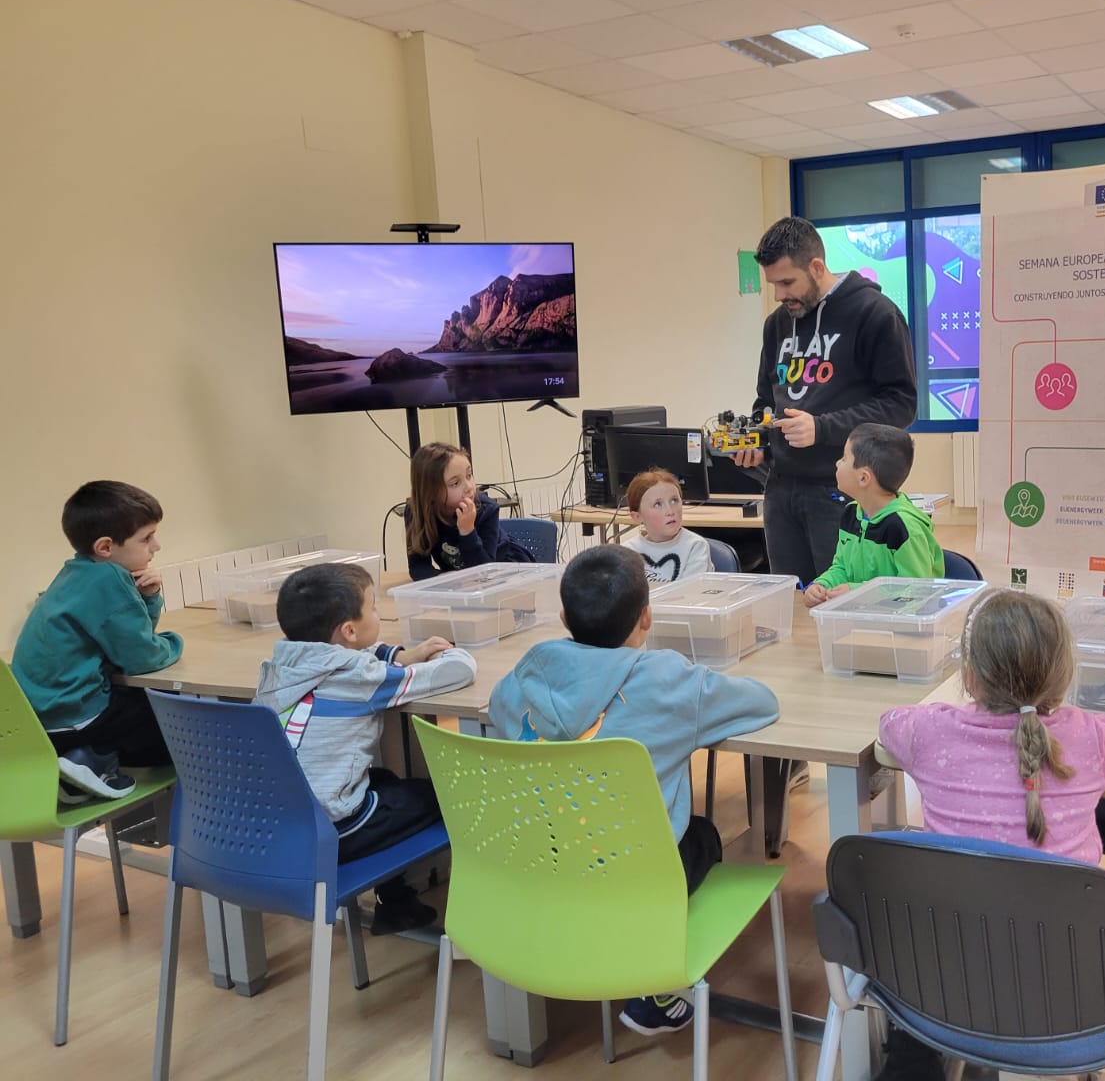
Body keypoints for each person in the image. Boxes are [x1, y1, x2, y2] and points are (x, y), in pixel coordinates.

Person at [877, 589, 1105, 1081]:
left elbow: (889, 722)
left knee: (912, 904)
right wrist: (1076, 718)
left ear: (969, 676)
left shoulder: (928, 733)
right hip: (1066, 974)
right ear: (1064, 676)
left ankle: (912, 1059)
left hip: (953, 969)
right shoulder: (1086, 737)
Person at [488, 545, 778, 1037]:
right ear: (647, 617)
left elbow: (499, 714)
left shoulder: (522, 681)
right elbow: (762, 703)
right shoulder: (668, 681)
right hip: (633, 880)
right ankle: (651, 980)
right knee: (703, 836)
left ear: (564, 618)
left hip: (542, 867)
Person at [255, 562, 476, 935]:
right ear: (349, 630)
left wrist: (398, 656)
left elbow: (352, 659)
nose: (379, 613)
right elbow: (460, 672)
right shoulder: (360, 678)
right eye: (373, 607)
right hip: (335, 833)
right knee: (444, 795)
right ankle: (474, 914)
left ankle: (398, 905)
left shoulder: (279, 667)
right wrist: (447, 653)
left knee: (384, 779)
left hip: (276, 828)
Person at [734, 216, 916, 586]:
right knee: (791, 600)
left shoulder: (875, 314)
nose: (779, 295)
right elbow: (765, 399)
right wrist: (756, 440)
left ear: (817, 268)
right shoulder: (777, 324)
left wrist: (821, 428)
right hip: (780, 489)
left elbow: (901, 404)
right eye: (773, 284)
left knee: (840, 599)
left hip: (841, 489)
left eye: (787, 282)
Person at [12, 480, 183, 803]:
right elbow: (142, 657)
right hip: (76, 718)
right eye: (146, 537)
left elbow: (124, 640)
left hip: (39, 725)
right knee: (179, 724)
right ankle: (93, 758)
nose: (156, 546)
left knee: (139, 699)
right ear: (106, 547)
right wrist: (174, 643)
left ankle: (84, 761)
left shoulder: (76, 572)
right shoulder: (108, 577)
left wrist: (148, 598)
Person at [802, 423, 942, 608]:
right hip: (860, 617)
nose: (837, 463)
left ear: (863, 478)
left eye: (844, 458)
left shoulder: (904, 527)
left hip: (899, 622)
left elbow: (917, 591)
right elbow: (841, 567)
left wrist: (858, 593)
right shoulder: (851, 514)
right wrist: (822, 585)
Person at [405, 441, 502, 580]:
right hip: (464, 585)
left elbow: (484, 572)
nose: (469, 487)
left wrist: (467, 532)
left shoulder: (487, 510)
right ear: (430, 492)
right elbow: (418, 568)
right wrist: (451, 582)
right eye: (455, 483)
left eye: (469, 475)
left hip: (507, 572)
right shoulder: (416, 511)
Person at [622, 468, 711, 583]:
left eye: (674, 501)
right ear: (637, 517)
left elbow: (691, 591)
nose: (670, 511)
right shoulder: (627, 552)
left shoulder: (695, 546)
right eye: (658, 504)